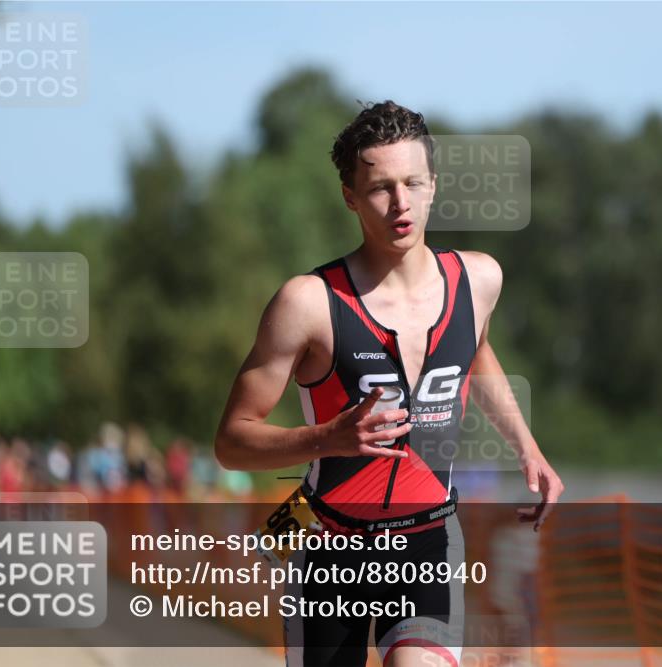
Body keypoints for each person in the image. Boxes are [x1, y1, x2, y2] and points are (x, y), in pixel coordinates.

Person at [215, 100, 564, 667]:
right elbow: (230, 442)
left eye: (413, 183)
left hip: (429, 537)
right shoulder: (307, 303)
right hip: (328, 540)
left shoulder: (479, 279)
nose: (400, 203)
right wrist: (329, 438)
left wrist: (529, 448)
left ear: (432, 186)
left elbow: (473, 350)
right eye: (380, 188)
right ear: (351, 196)